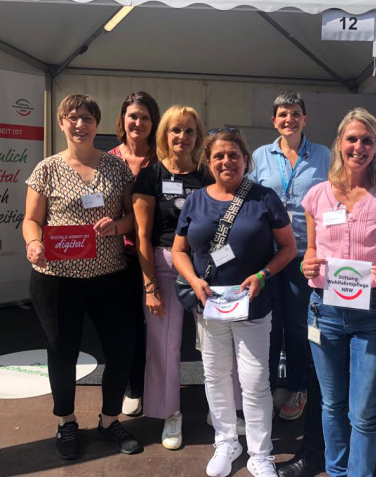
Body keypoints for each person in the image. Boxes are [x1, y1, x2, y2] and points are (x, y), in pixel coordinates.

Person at [23, 94, 142, 460]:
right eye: (72, 118)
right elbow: (31, 220)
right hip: (56, 278)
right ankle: (66, 421)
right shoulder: (46, 169)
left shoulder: (117, 168)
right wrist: (33, 243)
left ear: (97, 124)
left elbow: (132, 219)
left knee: (120, 350)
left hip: (109, 277)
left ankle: (109, 421)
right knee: (62, 351)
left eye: (87, 118)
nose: (80, 124)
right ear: (61, 123)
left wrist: (116, 226)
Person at [172, 128, 296, 477]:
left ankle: (261, 452)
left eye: (233, 155)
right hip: (209, 306)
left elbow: (289, 248)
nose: (227, 161)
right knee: (215, 376)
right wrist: (194, 280)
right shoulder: (195, 200)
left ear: (246, 159)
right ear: (208, 162)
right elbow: (180, 250)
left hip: (253, 305)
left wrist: (262, 276)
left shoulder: (264, 197)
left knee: (255, 380)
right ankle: (226, 441)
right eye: (219, 156)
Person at [301, 108, 376, 477]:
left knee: (362, 411)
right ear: (339, 143)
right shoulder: (317, 195)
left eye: (367, 140)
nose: (359, 146)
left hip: (374, 314)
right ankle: (336, 471)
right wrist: (307, 263)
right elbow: (311, 250)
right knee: (331, 404)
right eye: (352, 139)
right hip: (325, 312)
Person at [250, 91, 331, 421]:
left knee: (300, 327)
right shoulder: (260, 156)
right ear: (274, 120)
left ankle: (298, 387)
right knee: (269, 325)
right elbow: (250, 201)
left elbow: (333, 198)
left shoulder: (324, 155)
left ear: (305, 118)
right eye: (283, 114)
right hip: (267, 256)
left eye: (295, 113)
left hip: (304, 256)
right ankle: (268, 388)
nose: (289, 119)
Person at [132, 105, 207, 450]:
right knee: (163, 346)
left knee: (216, 342)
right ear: (164, 134)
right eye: (175, 130)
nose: (182, 136)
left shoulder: (208, 175)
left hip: (205, 267)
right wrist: (149, 285)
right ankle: (169, 413)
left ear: (198, 136)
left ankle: (221, 409)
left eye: (189, 130)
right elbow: (142, 235)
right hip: (162, 266)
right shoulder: (150, 175)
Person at [109, 91, 161, 417]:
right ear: (123, 120)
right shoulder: (108, 159)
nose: (138, 122)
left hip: (158, 253)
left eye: (144, 116)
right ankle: (134, 387)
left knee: (158, 326)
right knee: (127, 325)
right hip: (119, 256)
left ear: (153, 122)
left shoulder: (162, 159)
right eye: (133, 116)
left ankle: (159, 386)